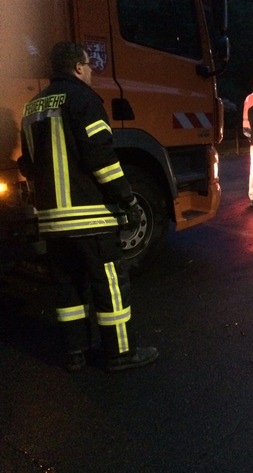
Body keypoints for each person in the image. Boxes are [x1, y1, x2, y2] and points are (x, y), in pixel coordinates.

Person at [18, 42, 158, 372]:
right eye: (89, 65)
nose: (92, 71)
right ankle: (121, 353)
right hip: (89, 216)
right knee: (109, 284)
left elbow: (28, 163)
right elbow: (101, 156)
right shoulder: (84, 100)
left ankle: (76, 352)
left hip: (52, 221)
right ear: (78, 67)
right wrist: (126, 197)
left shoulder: (32, 106)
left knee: (67, 287)